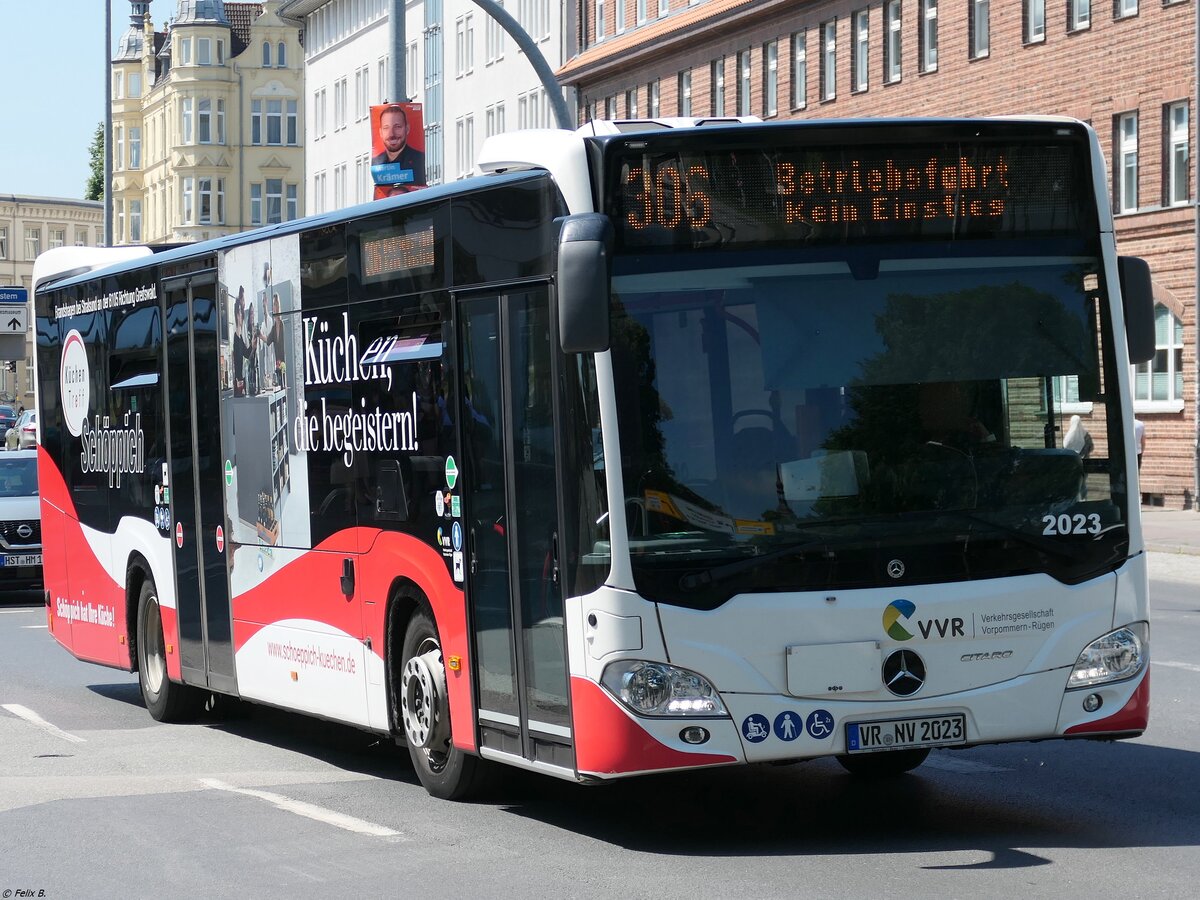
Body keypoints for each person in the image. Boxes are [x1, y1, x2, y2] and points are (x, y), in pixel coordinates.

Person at [371, 104, 426, 186]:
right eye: (386, 128)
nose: (392, 134)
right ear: (380, 132)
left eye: (397, 127)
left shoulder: (418, 159)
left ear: (407, 129)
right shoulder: (377, 162)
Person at [231, 287, 256, 397]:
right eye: (240, 313)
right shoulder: (235, 338)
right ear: (237, 315)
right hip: (238, 385)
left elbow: (246, 354)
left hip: (241, 383)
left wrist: (253, 346)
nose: (241, 316)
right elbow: (236, 363)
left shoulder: (240, 337)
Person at [1064, 414, 1094, 499]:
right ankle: (1083, 499)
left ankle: (1075, 500)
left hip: (1072, 464)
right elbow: (1091, 447)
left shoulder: (1069, 435)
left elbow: (1065, 447)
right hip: (1084, 463)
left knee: (1074, 483)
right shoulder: (1086, 435)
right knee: (1082, 483)